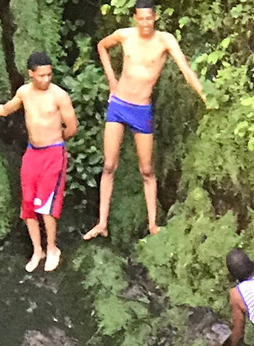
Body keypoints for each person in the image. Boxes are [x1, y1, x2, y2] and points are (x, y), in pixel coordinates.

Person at [82, 0, 207, 240]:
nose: (145, 23)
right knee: (109, 165)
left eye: (149, 18)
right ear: (135, 18)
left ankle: (152, 224)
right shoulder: (125, 35)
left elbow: (186, 69)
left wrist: (204, 95)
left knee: (147, 169)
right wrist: (111, 80)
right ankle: (102, 222)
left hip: (141, 109)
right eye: (141, 19)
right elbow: (102, 46)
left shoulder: (165, 40)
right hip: (118, 105)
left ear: (155, 17)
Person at [0, 51, 78, 273]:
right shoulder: (24, 93)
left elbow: (72, 128)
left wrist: (56, 140)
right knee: (28, 204)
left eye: (49, 75)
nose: (46, 79)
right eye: (41, 75)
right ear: (31, 74)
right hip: (32, 152)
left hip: (53, 152)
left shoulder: (59, 96)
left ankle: (52, 248)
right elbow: (5, 110)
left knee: (46, 205)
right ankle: (37, 250)